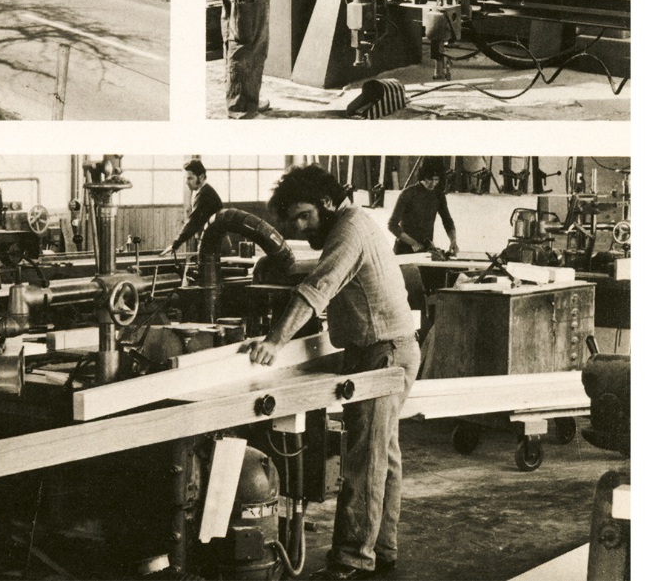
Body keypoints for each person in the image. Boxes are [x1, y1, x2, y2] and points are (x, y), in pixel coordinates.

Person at [246, 165, 418, 580]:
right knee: (382, 456)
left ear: (326, 202)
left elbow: (319, 288)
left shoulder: (350, 228)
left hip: (384, 354)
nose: (301, 228)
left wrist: (275, 341)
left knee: (363, 460)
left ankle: (351, 561)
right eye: (293, 222)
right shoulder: (352, 223)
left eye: (305, 216)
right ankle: (382, 549)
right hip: (384, 349)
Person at [387, 159, 460, 257]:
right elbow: (392, 225)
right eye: (430, 179)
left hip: (425, 249)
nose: (433, 183)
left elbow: (447, 221)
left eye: (436, 180)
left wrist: (453, 241)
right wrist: (413, 243)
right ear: (422, 177)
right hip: (404, 249)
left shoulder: (439, 195)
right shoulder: (408, 194)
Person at [167, 160, 223, 254]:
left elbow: (193, 223)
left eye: (190, 178)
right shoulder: (202, 191)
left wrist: (175, 244)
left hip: (216, 244)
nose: (186, 182)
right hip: (212, 242)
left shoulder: (204, 194)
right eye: (185, 178)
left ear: (201, 177)